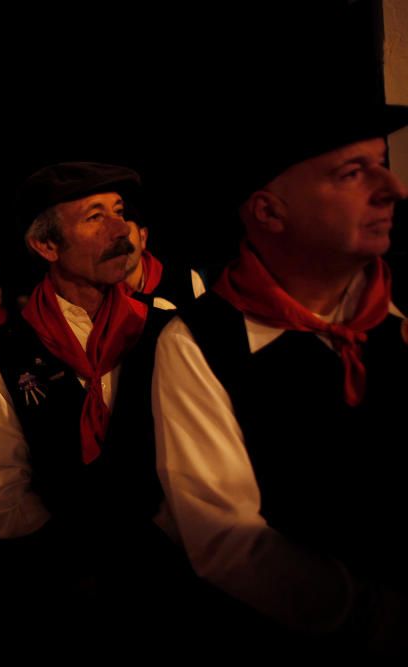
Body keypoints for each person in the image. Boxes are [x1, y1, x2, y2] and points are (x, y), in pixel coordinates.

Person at [152, 103, 408, 656]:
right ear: (269, 212)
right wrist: (376, 615)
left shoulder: (395, 315)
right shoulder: (201, 342)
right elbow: (226, 540)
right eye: (352, 172)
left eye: (381, 164)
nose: (393, 188)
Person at [0, 161, 176, 658]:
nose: (120, 229)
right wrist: (71, 559)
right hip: (69, 582)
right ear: (46, 246)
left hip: (174, 563)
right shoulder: (3, 354)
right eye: (94, 216)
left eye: (120, 212)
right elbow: (2, 484)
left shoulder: (169, 328)